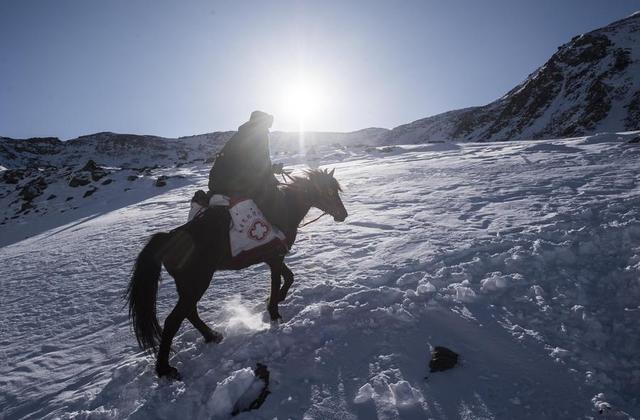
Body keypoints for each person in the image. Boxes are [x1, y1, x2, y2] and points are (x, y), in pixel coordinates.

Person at [207, 110, 285, 230]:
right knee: (274, 199)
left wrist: (272, 170)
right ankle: (272, 235)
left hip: (220, 181)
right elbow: (258, 163)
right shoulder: (258, 134)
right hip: (231, 182)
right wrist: (273, 180)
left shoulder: (245, 133)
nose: (269, 127)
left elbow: (252, 163)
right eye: (268, 123)